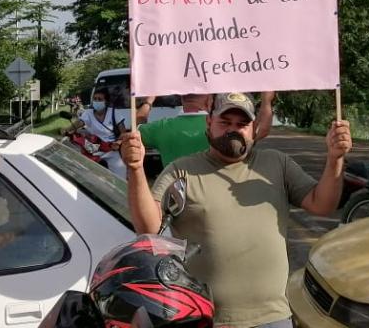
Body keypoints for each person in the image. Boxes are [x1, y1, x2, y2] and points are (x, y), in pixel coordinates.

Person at [120, 92, 352, 328]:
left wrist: (335, 159)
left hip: (274, 317)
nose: (234, 129)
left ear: (254, 129)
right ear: (209, 123)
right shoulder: (181, 170)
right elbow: (148, 227)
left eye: (242, 124)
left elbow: (322, 204)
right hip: (207, 319)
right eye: (225, 122)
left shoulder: (277, 164)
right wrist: (136, 169)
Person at [135, 92, 275, 169]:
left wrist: (149, 101)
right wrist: (266, 101)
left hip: (176, 203)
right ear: (209, 100)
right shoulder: (226, 128)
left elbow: (133, 133)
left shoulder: (162, 128)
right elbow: (262, 129)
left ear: (182, 99)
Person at [79, 87, 126, 178]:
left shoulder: (114, 112)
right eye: (95, 99)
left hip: (110, 148)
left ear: (106, 101)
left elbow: (123, 132)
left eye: (100, 99)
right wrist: (68, 129)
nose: (97, 101)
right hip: (93, 148)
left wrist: (118, 142)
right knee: (85, 173)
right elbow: (80, 123)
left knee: (121, 172)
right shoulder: (88, 113)